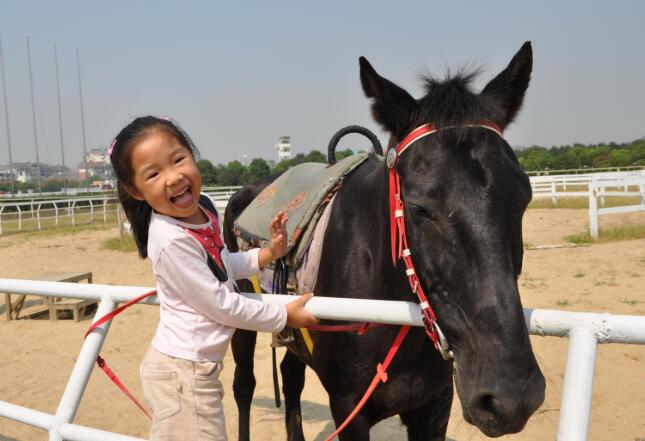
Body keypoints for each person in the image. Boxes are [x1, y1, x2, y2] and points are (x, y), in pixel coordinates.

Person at [109, 115, 318, 440]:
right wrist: (283, 315)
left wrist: (267, 254)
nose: (174, 177)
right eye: (154, 173)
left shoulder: (202, 211)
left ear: (193, 155)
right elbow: (222, 305)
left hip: (195, 372)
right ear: (135, 191)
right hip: (183, 374)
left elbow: (220, 264)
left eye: (179, 159)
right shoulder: (171, 239)